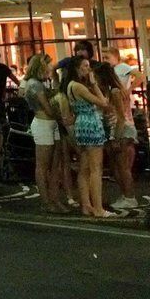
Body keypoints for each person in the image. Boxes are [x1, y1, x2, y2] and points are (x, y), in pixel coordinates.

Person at [60, 57, 114, 218]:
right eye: (85, 66)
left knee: (84, 167)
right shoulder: (79, 86)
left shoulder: (70, 86)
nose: (88, 69)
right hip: (91, 123)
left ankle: (86, 205)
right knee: (96, 168)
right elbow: (103, 102)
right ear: (77, 68)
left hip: (81, 124)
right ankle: (98, 207)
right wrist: (94, 84)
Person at [21, 54, 66, 213]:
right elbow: (47, 107)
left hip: (50, 123)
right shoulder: (35, 85)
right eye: (48, 65)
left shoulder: (40, 83)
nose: (50, 68)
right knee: (43, 165)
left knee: (54, 165)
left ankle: (53, 199)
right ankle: (46, 201)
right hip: (43, 123)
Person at [98, 60, 142, 213]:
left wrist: (115, 137)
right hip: (119, 128)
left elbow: (121, 117)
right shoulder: (114, 91)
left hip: (122, 129)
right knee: (118, 166)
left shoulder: (115, 92)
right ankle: (126, 195)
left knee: (123, 167)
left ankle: (129, 197)